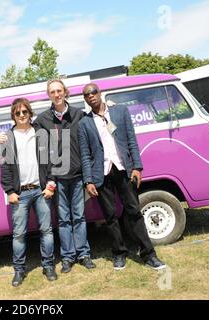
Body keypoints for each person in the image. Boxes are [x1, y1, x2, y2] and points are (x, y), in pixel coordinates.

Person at [78, 83, 166, 270]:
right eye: (87, 95)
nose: (91, 96)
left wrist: (137, 167)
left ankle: (149, 254)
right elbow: (85, 155)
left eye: (93, 92)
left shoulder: (120, 112)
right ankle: (119, 253)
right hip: (101, 174)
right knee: (110, 217)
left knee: (134, 212)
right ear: (85, 99)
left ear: (99, 93)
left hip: (123, 169)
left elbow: (132, 140)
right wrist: (88, 180)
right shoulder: (84, 123)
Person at [34, 79, 95, 273]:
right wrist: (5, 136)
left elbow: (98, 121)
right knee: (63, 219)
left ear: (65, 92)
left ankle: (84, 254)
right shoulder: (42, 120)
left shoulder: (79, 114)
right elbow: (25, 132)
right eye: (52, 92)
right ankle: (68, 257)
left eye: (59, 90)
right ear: (49, 95)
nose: (57, 94)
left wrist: (108, 106)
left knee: (79, 216)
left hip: (77, 176)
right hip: (58, 178)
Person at [0, 97, 58, 287]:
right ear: (13, 116)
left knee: (46, 230)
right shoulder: (8, 138)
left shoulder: (40, 133)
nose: (22, 115)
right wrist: (9, 191)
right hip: (20, 194)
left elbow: (51, 161)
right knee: (18, 234)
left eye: (25, 112)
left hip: (41, 191)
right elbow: (5, 168)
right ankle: (19, 271)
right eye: (18, 113)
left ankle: (48, 266)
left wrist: (50, 185)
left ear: (30, 113)